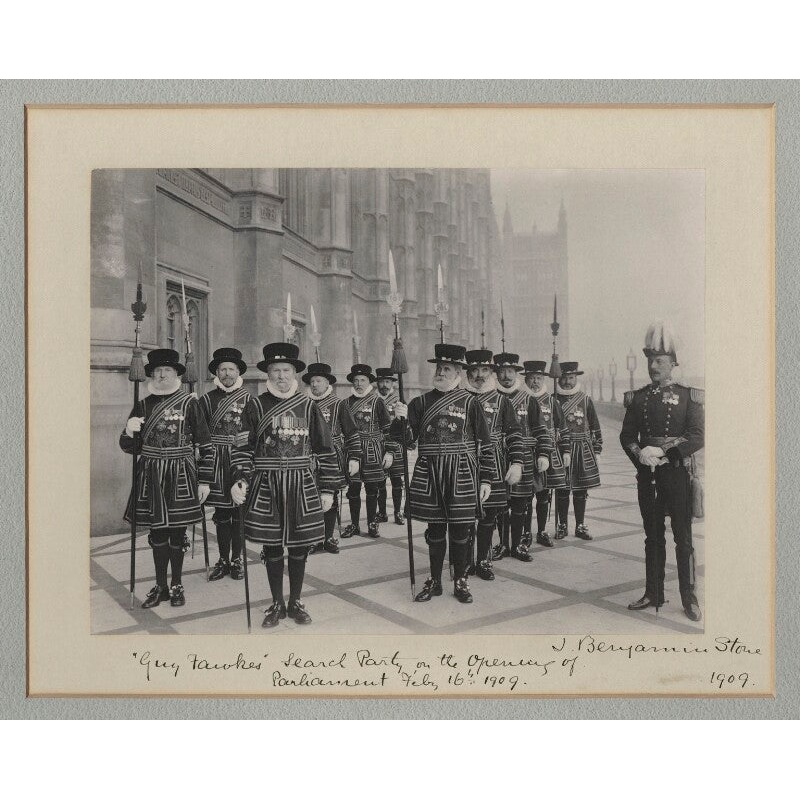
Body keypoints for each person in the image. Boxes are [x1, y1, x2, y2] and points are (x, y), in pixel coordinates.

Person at [230, 342, 337, 628]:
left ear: (295, 374)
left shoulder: (309, 406)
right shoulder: (254, 405)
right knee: (273, 546)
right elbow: (242, 446)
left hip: (302, 483)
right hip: (266, 483)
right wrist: (240, 478)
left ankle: (296, 601)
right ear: (268, 373)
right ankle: (277, 602)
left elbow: (325, 449)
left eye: (286, 370)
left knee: (300, 547)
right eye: (275, 370)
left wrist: (327, 488)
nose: (281, 376)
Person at [393, 343, 495, 604]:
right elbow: (407, 442)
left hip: (462, 471)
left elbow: (485, 443)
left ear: (458, 372)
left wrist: (486, 478)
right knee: (435, 529)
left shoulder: (471, 403)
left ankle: (461, 580)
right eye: (438, 368)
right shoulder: (419, 402)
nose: (440, 372)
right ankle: (436, 580)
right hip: (430, 470)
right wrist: (400, 419)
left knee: (461, 530)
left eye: (446, 368)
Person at [620, 322, 704, 622]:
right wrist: (640, 454)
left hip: (677, 475)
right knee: (652, 537)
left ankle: (689, 596)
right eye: (650, 361)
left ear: (673, 364)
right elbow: (626, 436)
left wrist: (667, 453)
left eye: (660, 361)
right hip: (648, 476)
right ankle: (653, 592)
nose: (653, 366)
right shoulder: (638, 398)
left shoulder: (688, 396)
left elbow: (697, 435)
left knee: (683, 538)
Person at [120, 348, 213, 609]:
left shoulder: (189, 403)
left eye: (168, 371)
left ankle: (177, 584)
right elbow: (128, 447)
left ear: (176, 375)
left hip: (181, 474)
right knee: (157, 533)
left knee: (177, 533)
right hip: (150, 474)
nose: (162, 375)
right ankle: (161, 585)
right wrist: (130, 432)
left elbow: (206, 444)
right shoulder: (142, 404)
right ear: (151, 374)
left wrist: (205, 480)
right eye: (158, 371)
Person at [463, 349, 524, 580]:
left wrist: (517, 462)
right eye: (475, 370)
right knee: (465, 514)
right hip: (464, 463)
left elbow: (514, 433)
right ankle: (465, 560)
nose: (479, 375)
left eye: (484, 370)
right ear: (468, 373)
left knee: (489, 515)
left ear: (491, 372)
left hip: (495, 463)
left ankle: (483, 560)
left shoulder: (502, 401)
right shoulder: (459, 398)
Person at [493, 352, 552, 562]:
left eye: (510, 371)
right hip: (496, 457)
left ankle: (517, 545)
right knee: (499, 504)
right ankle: (502, 544)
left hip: (525, 457)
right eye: (502, 371)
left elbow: (541, 430)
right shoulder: (491, 398)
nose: (506, 376)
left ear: (516, 374)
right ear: (496, 374)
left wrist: (544, 453)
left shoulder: (528, 400)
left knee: (520, 504)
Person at [198, 347, 251, 581]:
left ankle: (237, 559)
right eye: (223, 369)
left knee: (239, 512)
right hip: (215, 460)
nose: (227, 373)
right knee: (221, 514)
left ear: (238, 371)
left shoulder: (250, 400)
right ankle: (222, 559)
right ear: (216, 373)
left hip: (241, 458)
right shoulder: (206, 400)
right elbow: (199, 434)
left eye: (231, 369)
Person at [303, 362, 361, 554]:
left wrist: (354, 457)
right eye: (312, 381)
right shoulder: (305, 404)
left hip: (332, 455)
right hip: (309, 455)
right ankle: (314, 538)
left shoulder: (339, 404)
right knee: (311, 496)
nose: (314, 385)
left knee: (331, 496)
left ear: (327, 382)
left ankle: (328, 537)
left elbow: (352, 432)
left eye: (318, 381)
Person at [343, 364, 394, 538]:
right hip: (352, 450)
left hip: (373, 449)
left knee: (372, 489)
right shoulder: (346, 403)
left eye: (362, 380)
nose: (358, 384)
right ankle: (355, 525)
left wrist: (390, 452)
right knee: (353, 489)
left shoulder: (377, 401)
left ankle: (372, 523)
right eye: (356, 380)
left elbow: (388, 429)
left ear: (368, 382)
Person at [524, 360, 571, 547]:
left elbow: (563, 428)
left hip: (549, 452)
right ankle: (525, 532)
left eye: (538, 378)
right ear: (526, 380)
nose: (535, 382)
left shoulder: (552, 402)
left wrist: (566, 450)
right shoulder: (520, 399)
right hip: (527, 452)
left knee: (544, 495)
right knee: (526, 495)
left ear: (543, 379)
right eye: (531, 378)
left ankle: (542, 530)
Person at [554, 362, 602, 541]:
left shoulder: (585, 399)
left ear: (576, 378)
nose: (567, 381)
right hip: (561, 449)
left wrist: (597, 450)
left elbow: (595, 426)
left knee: (581, 489)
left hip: (582, 448)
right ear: (559, 379)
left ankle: (580, 525)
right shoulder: (553, 399)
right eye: (564, 378)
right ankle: (562, 525)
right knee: (562, 489)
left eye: (571, 378)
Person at [374, 367, 405, 525]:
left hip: (395, 445)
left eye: (387, 381)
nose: (384, 384)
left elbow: (406, 425)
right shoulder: (373, 400)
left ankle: (398, 512)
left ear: (392, 383)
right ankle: (382, 512)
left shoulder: (399, 400)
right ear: (377, 383)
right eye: (381, 381)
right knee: (380, 481)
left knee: (396, 481)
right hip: (378, 444)